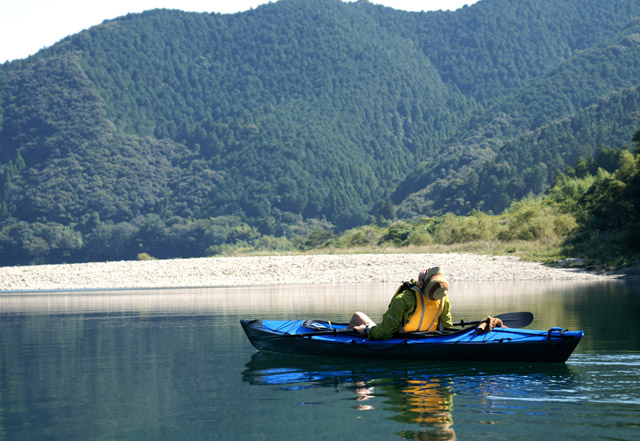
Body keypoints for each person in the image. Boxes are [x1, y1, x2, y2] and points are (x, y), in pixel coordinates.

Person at [349, 267, 453, 340]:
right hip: (427, 335)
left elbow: (385, 332)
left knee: (357, 316)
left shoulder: (403, 299)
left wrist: (366, 330)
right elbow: (447, 326)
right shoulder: (442, 298)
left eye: (428, 273)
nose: (428, 269)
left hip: (399, 338)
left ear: (421, 284)